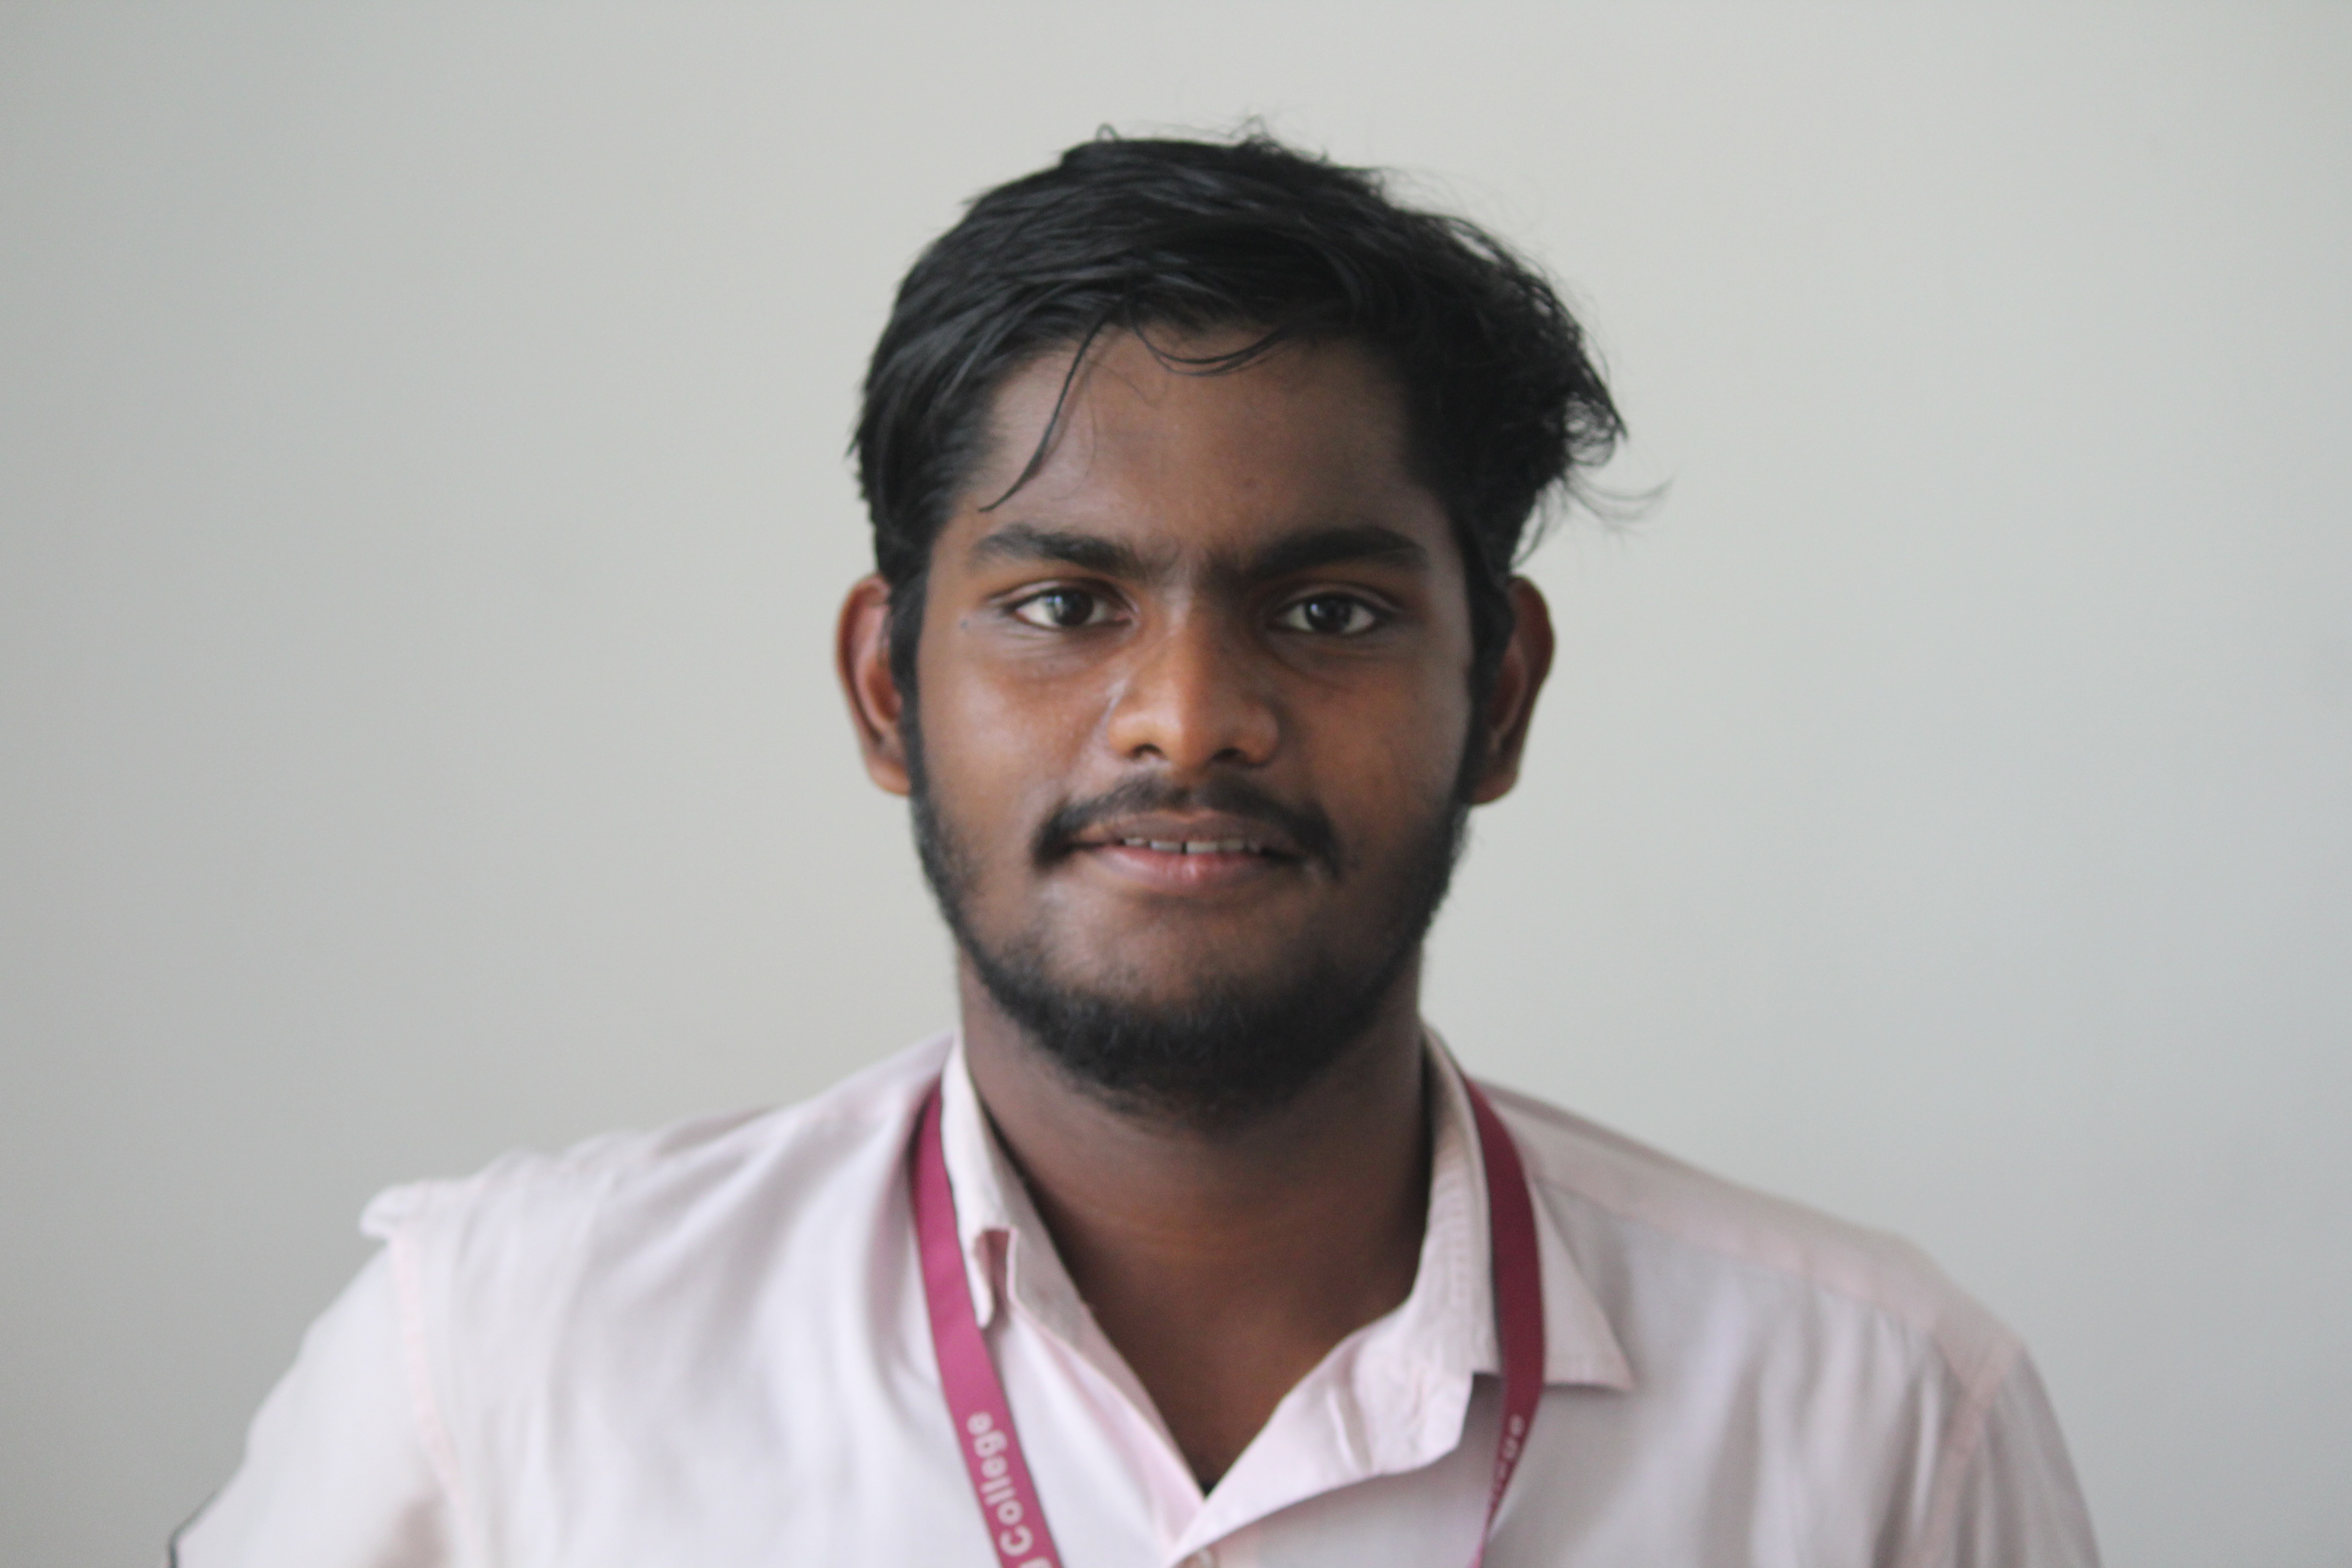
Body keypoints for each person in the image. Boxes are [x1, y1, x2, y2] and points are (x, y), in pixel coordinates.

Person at [175, 132, 2101, 1567]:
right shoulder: (505, 1349)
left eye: (1329, 611)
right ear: (887, 691)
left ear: (1500, 695)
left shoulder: (1879, 1425)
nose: (1188, 717)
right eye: (1063, 604)